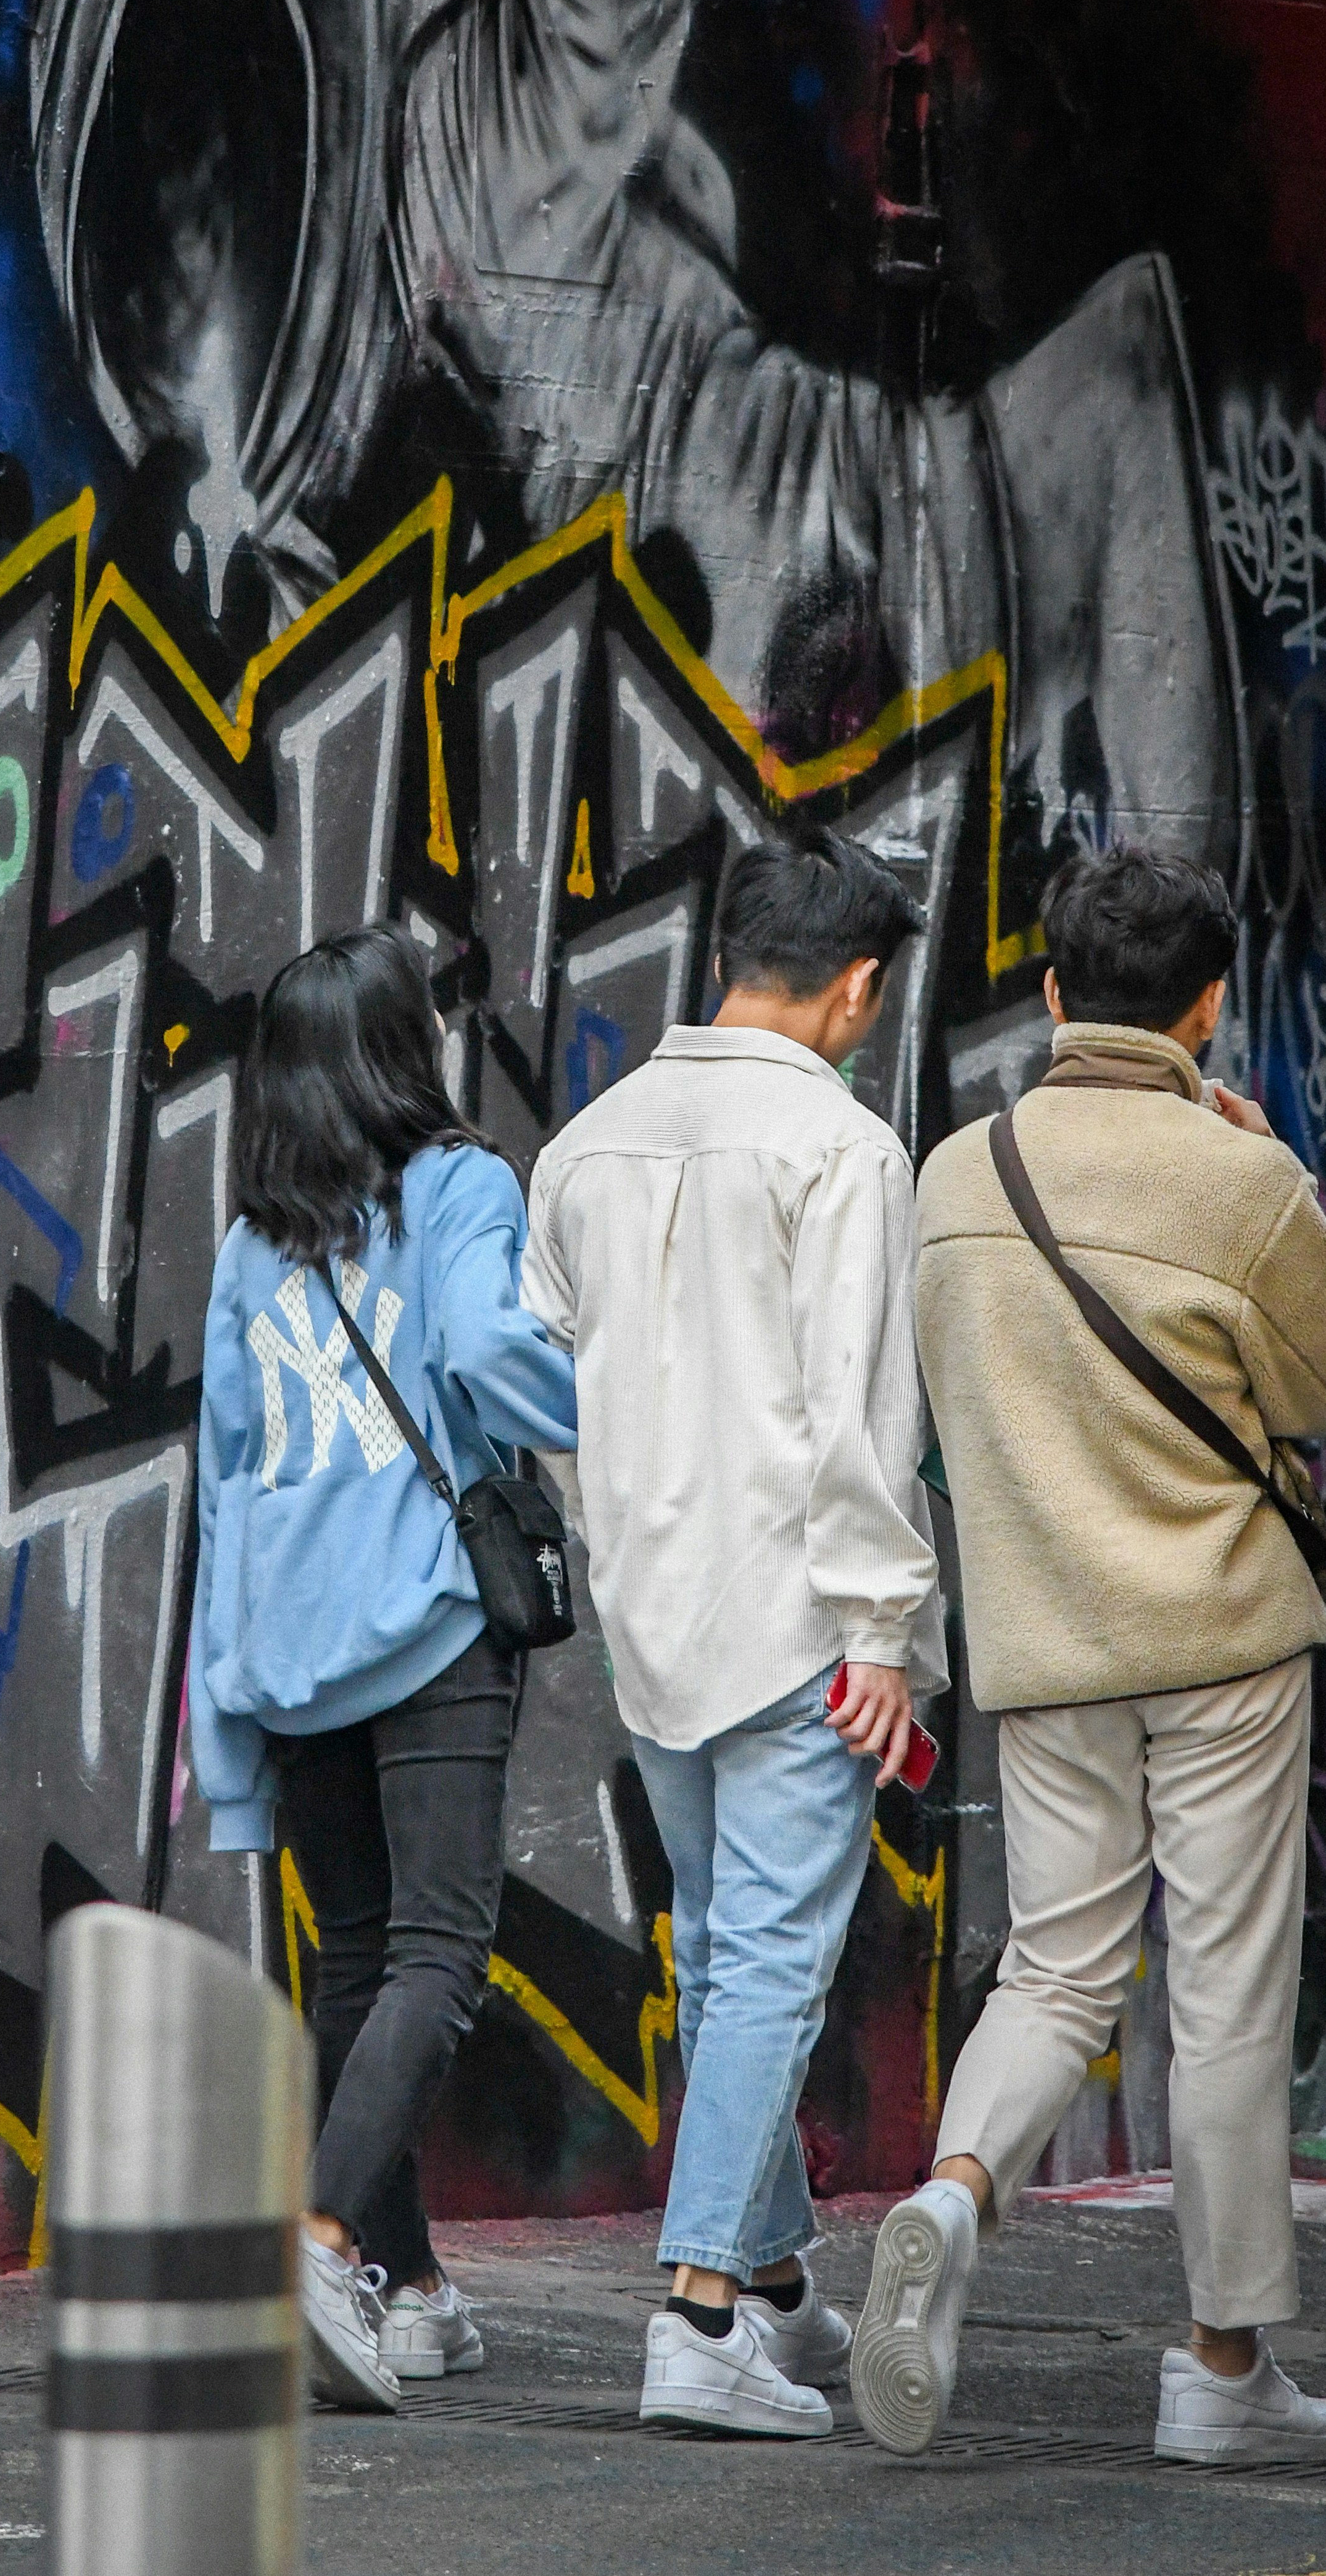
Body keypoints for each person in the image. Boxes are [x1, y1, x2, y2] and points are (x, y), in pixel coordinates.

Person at [852, 847, 1326, 2463]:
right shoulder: (1242, 1186)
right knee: (1226, 1985)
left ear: (1053, 993)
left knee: (1058, 1965)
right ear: (1207, 1006)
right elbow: (1313, 1391)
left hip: (1047, 1639)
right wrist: (1278, 1179)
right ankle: (1214, 2365)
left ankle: (953, 2187)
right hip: (1222, 1635)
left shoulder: (953, 1176)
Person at [521, 827, 947, 2437]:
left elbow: (552, 1391)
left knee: (718, 1942)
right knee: (765, 1949)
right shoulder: (844, 1148)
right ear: (856, 987)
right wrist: (884, 1627)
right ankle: (697, 2307)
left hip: (656, 1610)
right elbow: (860, 1416)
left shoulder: (586, 1141)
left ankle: (770, 2281)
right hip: (800, 1617)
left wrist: (612, 1526)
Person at [188, 923, 578, 2412]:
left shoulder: (248, 1242)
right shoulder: (462, 1185)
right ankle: (319, 2235)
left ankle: (406, 2291)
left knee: (360, 1958)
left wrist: (226, 1729)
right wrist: (605, 1389)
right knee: (437, 1952)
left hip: (285, 1646)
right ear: (401, 1050)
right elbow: (487, 1347)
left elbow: (224, 1477)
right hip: (422, 1628)